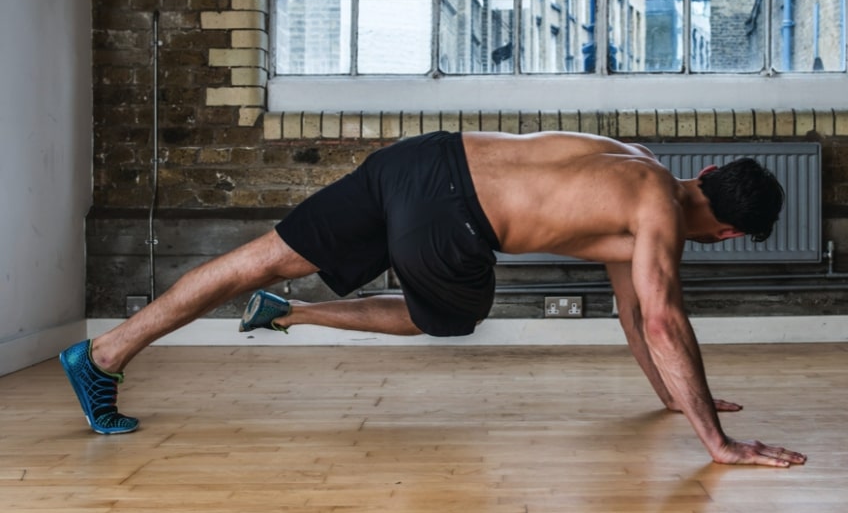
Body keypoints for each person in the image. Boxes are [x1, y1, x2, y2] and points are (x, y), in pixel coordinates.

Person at [60, 130, 806, 468]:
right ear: (731, 232)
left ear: (706, 168)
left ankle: (103, 355)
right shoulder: (661, 221)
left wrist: (674, 401)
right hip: (453, 217)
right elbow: (665, 318)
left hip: (418, 159)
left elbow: (633, 315)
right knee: (448, 314)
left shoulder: (638, 165)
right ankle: (294, 312)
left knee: (251, 261)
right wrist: (717, 441)